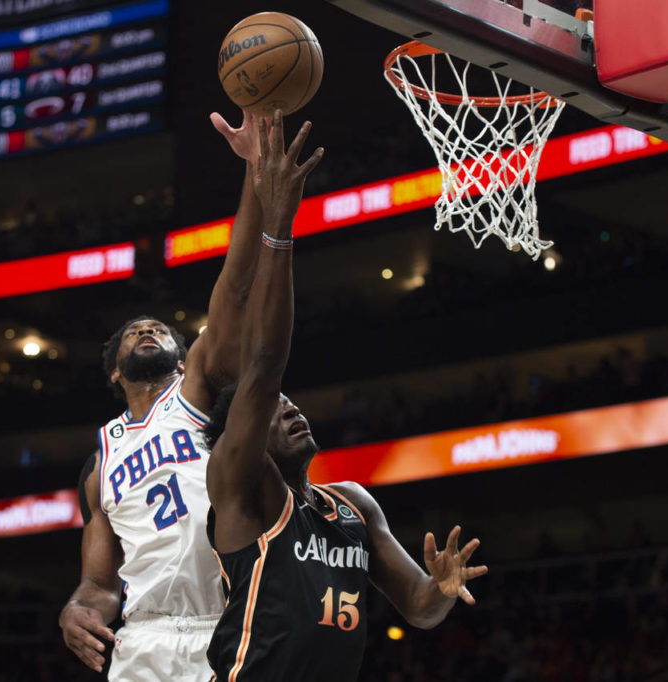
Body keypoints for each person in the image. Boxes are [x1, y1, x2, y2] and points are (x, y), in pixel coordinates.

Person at [202, 113, 487, 682]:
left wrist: (441, 588)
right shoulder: (244, 487)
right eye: (274, 408)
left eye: (289, 403)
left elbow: (419, 607)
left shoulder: (353, 505)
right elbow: (264, 363)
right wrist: (278, 225)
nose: (290, 408)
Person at [59, 110, 283, 681]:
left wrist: (254, 171)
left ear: (184, 359)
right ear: (115, 373)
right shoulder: (100, 463)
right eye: (134, 331)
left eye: (158, 329)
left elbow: (234, 288)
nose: (146, 330)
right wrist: (77, 610)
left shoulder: (195, 391)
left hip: (226, 622)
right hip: (144, 639)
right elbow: (99, 584)